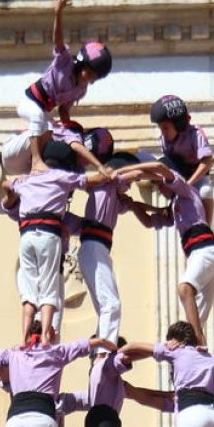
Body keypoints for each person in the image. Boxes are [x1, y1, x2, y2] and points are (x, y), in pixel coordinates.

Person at [5, 141, 112, 344]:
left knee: (29, 296)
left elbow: (8, 193)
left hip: (27, 237)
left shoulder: (27, 181)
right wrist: (104, 170)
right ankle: (46, 336)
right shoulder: (61, 177)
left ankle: (25, 339)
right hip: (48, 238)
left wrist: (11, 191)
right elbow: (95, 180)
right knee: (49, 292)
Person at [118, 158, 214, 346]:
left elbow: (159, 167)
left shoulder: (186, 191)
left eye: (160, 184)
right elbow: (149, 221)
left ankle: (199, 341)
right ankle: (198, 348)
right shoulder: (176, 206)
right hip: (203, 255)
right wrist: (133, 205)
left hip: (204, 251)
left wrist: (128, 169)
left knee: (185, 289)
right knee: (195, 319)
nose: (159, 188)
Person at [11, 0, 113, 175]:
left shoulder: (80, 90)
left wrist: (69, 129)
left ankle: (38, 169)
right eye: (88, 72)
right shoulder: (64, 62)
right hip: (30, 102)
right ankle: (36, 162)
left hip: (45, 110)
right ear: (81, 63)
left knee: (53, 132)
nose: (88, 78)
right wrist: (58, 13)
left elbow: (64, 110)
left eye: (93, 77)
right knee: (36, 117)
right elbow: (57, 39)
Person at [78, 132, 148, 342]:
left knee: (105, 305)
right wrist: (159, 173)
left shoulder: (113, 195)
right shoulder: (106, 183)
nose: (130, 185)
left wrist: (160, 210)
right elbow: (131, 173)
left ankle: (102, 343)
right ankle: (104, 349)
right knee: (111, 304)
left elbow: (135, 205)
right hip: (94, 246)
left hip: (98, 248)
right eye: (130, 181)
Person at [147, 95, 214, 223]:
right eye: (161, 128)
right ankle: (172, 211)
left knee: (205, 191)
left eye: (165, 128)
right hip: (179, 172)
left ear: (179, 125)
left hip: (198, 174)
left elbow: (207, 161)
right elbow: (168, 162)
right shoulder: (165, 140)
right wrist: (164, 183)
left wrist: (188, 184)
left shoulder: (196, 134)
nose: (163, 132)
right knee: (146, 158)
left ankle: (206, 225)